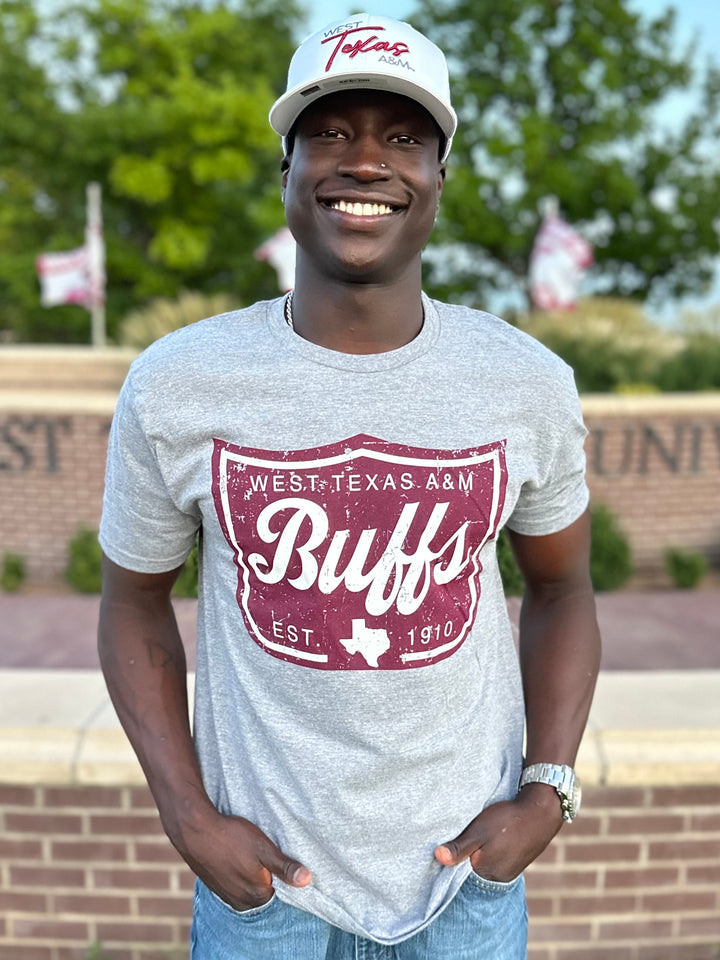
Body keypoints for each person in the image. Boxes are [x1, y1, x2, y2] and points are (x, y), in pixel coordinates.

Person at [98, 13, 601, 959]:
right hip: (264, 892)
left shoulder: (524, 381)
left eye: (403, 137)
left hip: (463, 888)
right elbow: (132, 600)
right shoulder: (180, 381)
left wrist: (548, 790)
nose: (365, 160)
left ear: (438, 182)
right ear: (284, 172)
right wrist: (186, 815)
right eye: (330, 132)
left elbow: (564, 588)